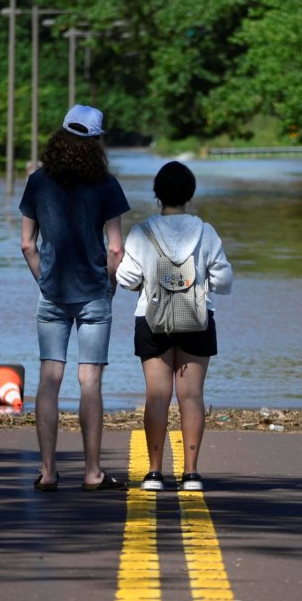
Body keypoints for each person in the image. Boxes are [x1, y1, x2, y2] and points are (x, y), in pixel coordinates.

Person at [19, 104, 130, 492]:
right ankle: (93, 472)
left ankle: (48, 471)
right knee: (90, 382)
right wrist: (109, 284)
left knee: (49, 379)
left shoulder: (38, 182)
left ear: (60, 136)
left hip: (52, 292)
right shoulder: (107, 185)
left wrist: (44, 280)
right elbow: (115, 249)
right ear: (96, 142)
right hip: (93, 294)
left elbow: (27, 244)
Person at [116, 161, 233, 491]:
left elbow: (127, 279)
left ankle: (154, 473)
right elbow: (224, 280)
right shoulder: (206, 232)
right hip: (197, 319)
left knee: (157, 395)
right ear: (190, 195)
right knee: (192, 396)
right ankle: (191, 473)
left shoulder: (142, 232)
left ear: (157, 194)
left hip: (152, 319)